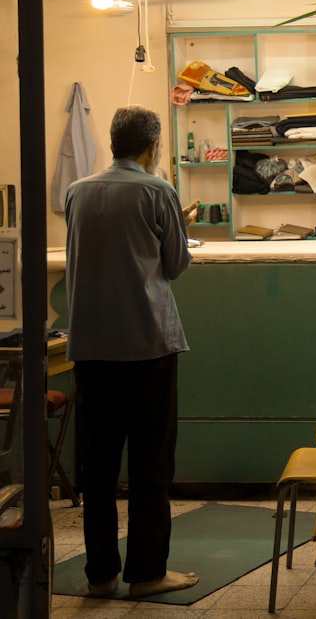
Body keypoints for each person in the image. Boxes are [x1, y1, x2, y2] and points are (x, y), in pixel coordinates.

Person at [65, 105, 200, 598]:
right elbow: (175, 264)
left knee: (96, 469)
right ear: (153, 146)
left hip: (92, 348)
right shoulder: (157, 189)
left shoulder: (77, 192)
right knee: (150, 465)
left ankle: (99, 575)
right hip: (147, 346)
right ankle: (147, 574)